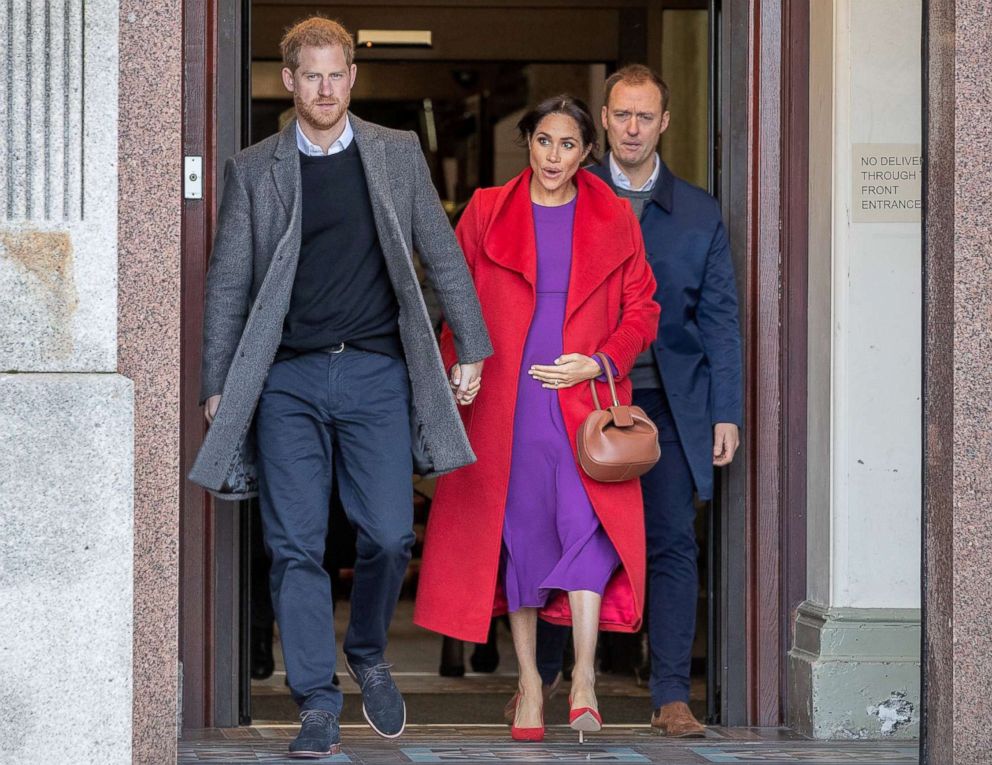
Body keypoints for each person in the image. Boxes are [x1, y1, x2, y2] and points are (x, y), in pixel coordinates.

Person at [187, 16, 492, 759]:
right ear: (289, 82)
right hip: (286, 378)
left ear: (352, 77)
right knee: (294, 546)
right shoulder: (254, 169)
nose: (325, 88)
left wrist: (473, 345)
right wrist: (220, 381)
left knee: (389, 532)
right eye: (310, 75)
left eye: (337, 73)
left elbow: (441, 252)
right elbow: (227, 283)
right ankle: (317, 702)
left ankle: (369, 649)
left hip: (375, 372)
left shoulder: (394, 153)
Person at [414, 95, 660, 743]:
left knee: (585, 530)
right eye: (545, 141)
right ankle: (528, 681)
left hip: (582, 404)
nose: (555, 156)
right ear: (529, 143)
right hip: (508, 403)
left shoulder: (613, 214)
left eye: (569, 145)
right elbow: (454, 296)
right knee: (520, 542)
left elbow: (643, 309)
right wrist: (457, 365)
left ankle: (582, 676)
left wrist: (600, 363)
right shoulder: (488, 208)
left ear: (587, 152)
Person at [534, 65, 743, 738]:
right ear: (603, 118)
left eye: (643, 116)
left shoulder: (700, 213)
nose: (631, 128)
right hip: (580, 392)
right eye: (621, 115)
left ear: (664, 123)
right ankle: (542, 679)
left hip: (666, 402)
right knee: (564, 532)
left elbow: (719, 321)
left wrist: (726, 410)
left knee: (672, 541)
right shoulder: (565, 190)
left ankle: (672, 694)